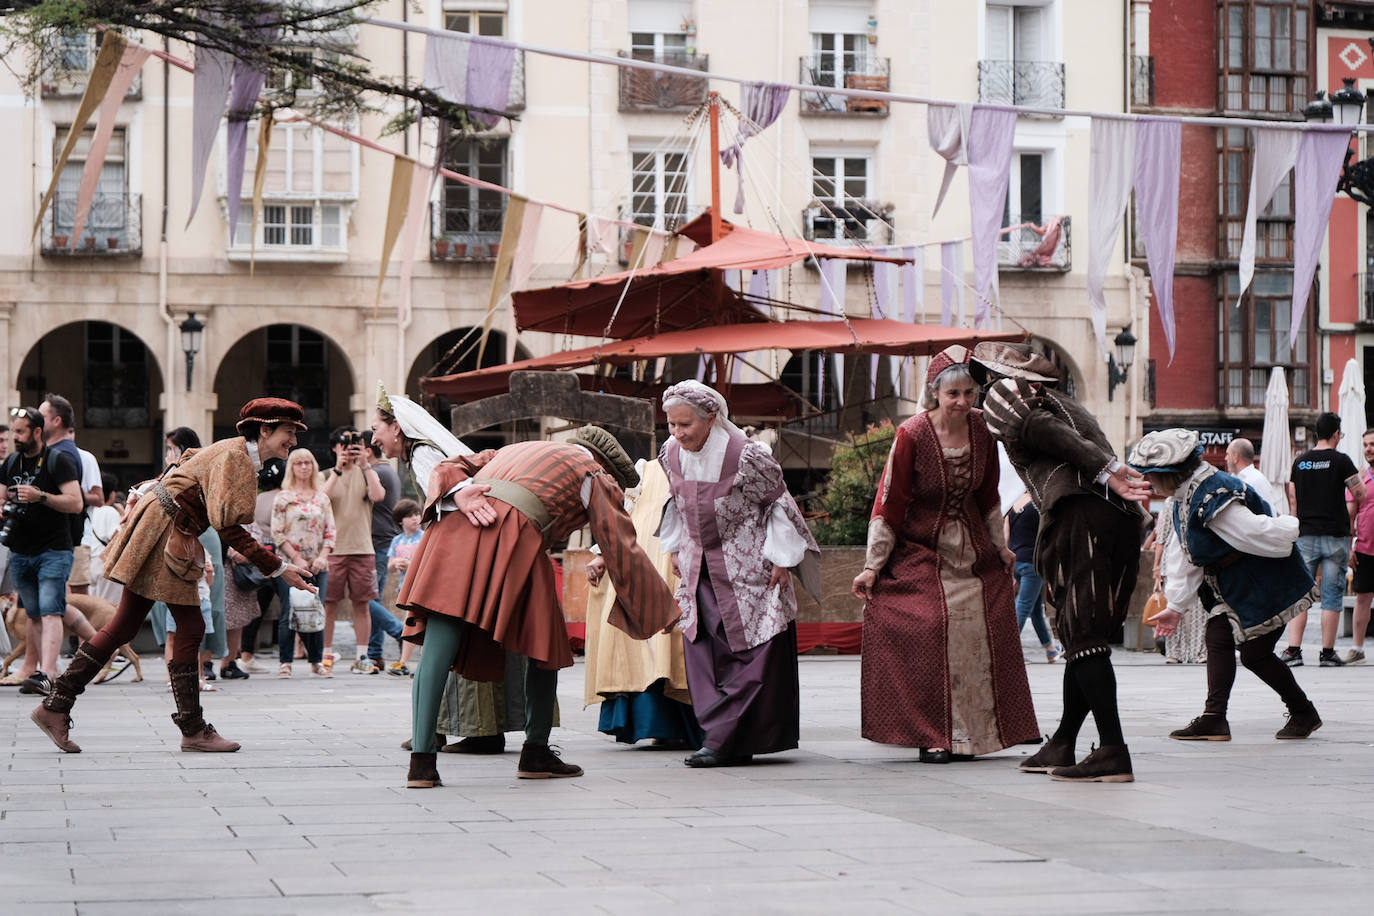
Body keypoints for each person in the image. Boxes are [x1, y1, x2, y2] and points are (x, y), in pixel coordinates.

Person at [29, 398, 317, 754]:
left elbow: (184, 468)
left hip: (164, 527)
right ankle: (192, 728)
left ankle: (56, 705)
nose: (294, 441)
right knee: (188, 626)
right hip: (168, 530)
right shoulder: (236, 458)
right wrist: (281, 569)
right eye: (289, 432)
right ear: (266, 429)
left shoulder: (235, 453)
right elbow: (229, 527)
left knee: (126, 624)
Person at [396, 426, 678, 787]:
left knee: (439, 642)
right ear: (608, 467)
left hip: (456, 525)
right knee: (545, 644)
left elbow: (447, 465)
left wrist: (461, 493)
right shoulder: (595, 476)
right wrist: (659, 609)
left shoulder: (512, 449)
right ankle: (536, 752)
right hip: (515, 537)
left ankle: (421, 764)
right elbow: (622, 548)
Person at [975, 342, 1151, 783]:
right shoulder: (1064, 400)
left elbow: (1038, 428)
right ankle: (1064, 741)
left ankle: (1112, 750)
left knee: (1083, 633)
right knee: (1080, 634)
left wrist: (1106, 468)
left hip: (1082, 515)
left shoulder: (1003, 393)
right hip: (1115, 521)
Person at [851, 348, 1039, 763]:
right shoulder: (912, 434)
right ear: (934, 393)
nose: (962, 402)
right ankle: (935, 735)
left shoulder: (983, 430)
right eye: (953, 393)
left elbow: (989, 497)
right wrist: (872, 567)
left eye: (969, 393)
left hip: (972, 550)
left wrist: (1002, 547)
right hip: (919, 550)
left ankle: (983, 730)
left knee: (987, 624)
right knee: (931, 626)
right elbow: (889, 504)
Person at [659, 380, 820, 769]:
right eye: (672, 425)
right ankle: (719, 736)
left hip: (749, 566)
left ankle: (729, 740)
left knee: (753, 652)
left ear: (711, 418)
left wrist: (783, 558)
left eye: (686, 426)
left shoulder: (747, 455)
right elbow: (678, 503)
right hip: (701, 568)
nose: (678, 434)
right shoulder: (671, 454)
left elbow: (777, 503)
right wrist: (677, 547)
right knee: (704, 652)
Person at [1130, 429, 1322, 741]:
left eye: (1152, 476)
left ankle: (1303, 712)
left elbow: (1256, 532)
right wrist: (1175, 606)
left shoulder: (1213, 492)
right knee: (1217, 638)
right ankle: (1214, 718)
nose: (1149, 482)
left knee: (1254, 654)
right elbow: (1188, 554)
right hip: (1233, 585)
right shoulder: (1185, 496)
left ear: (1171, 474)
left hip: (1265, 581)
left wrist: (1290, 528)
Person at [372, 384, 521, 755]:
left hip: (460, 562)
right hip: (470, 559)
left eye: (377, 427)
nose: (373, 437)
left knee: (447, 641)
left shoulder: (424, 455)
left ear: (396, 427)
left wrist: (456, 500)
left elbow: (457, 494)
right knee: (454, 642)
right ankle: (449, 729)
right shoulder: (421, 455)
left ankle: (461, 734)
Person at [583, 459, 704, 750]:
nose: (678, 432)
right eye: (673, 425)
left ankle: (691, 723)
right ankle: (656, 724)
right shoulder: (646, 470)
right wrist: (602, 555)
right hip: (641, 560)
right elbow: (625, 514)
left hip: (682, 561)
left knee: (674, 642)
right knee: (640, 640)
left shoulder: (715, 462)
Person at [1, 406, 85, 696]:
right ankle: (37, 670)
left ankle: (48, 674)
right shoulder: (11, 462)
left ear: (37, 432)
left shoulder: (57, 461)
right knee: (34, 614)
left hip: (54, 550)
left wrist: (41, 497)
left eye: (21, 431)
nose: (15, 437)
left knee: (51, 612)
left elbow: (76, 503)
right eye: (14, 431)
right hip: (21, 551)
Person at [1281, 412, 1365, 667]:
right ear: (1337, 434)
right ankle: (1327, 653)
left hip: (1305, 535)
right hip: (1335, 535)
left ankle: (1294, 651)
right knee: (1331, 594)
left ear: (1317, 433)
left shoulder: (1301, 462)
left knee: (1301, 595)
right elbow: (1359, 492)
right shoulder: (1341, 461)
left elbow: (1293, 499)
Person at [320, 426, 383, 674]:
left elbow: (379, 496)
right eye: (344, 443)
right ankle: (325, 654)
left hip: (362, 548)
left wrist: (365, 463)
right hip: (332, 550)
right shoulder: (326, 474)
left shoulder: (366, 472)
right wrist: (339, 467)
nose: (349, 448)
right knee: (329, 603)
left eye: (354, 443)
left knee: (362, 603)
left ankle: (362, 655)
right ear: (335, 447)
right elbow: (321, 500)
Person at [271, 447, 335, 677]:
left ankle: (316, 661)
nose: (304, 467)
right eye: (299, 463)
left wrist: (322, 557)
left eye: (308, 462)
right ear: (292, 467)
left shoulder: (322, 498)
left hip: (318, 563)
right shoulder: (283, 497)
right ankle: (285, 661)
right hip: (289, 564)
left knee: (316, 610)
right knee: (289, 610)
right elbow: (277, 533)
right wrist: (296, 558)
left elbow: (330, 532)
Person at [39, 394, 102, 599]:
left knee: (76, 597)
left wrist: (43, 496)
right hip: (60, 539)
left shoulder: (70, 456)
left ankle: (86, 633)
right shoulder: (52, 453)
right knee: (59, 601)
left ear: (58, 422)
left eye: (42, 416)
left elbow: (96, 498)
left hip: (72, 538)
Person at [362, 431, 407, 673]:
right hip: (381, 542)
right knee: (373, 597)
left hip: (376, 543)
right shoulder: (388, 470)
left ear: (367, 450)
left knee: (364, 598)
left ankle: (399, 631)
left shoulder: (376, 473)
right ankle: (375, 653)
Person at [1007, 494, 1057, 663]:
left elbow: (1006, 534)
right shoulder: (1039, 504)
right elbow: (1048, 536)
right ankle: (1007, 650)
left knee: (1035, 609)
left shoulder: (1014, 504)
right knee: (1023, 606)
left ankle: (1050, 649)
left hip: (1017, 560)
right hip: (1033, 562)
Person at [382, 498, 422, 676]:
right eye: (410, 516)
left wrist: (411, 564)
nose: (415, 518)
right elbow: (390, 565)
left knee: (420, 624)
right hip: (405, 589)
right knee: (409, 624)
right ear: (400, 521)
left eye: (417, 514)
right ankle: (404, 662)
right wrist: (396, 563)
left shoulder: (425, 537)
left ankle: (421, 663)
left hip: (421, 588)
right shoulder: (397, 541)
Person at [1347, 429, 1374, 665]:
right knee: (1362, 598)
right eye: (1365, 445)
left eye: (1372, 444)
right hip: (1365, 548)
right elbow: (1350, 516)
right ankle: (1357, 648)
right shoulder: (1358, 478)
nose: (1368, 449)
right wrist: (1349, 547)